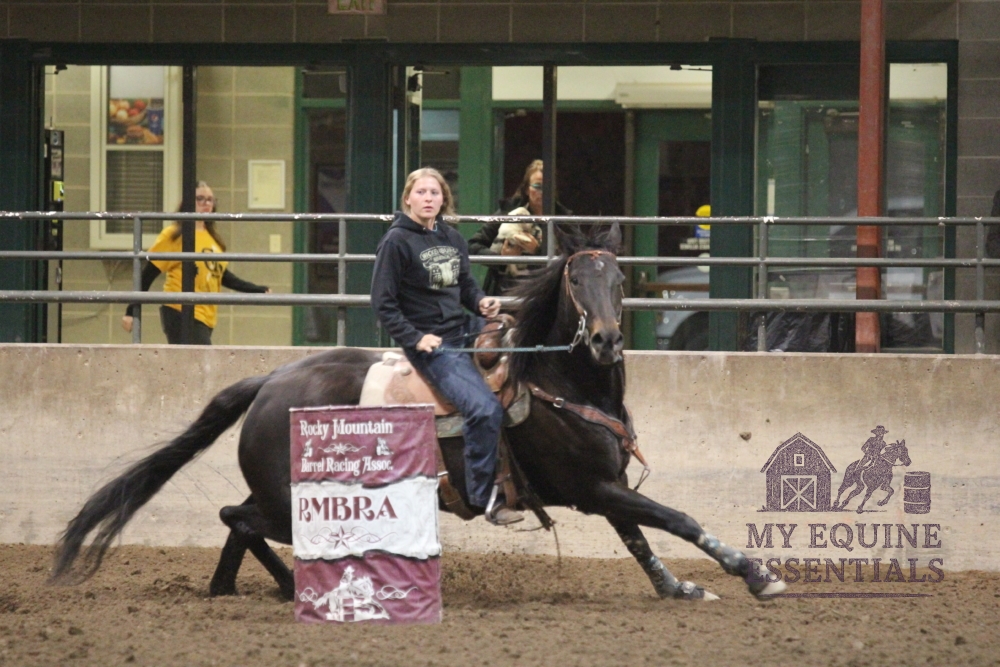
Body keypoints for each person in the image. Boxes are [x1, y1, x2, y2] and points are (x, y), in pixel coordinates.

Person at [370, 167, 523, 526]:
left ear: (443, 199)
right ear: (408, 198)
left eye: (434, 193)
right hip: (431, 343)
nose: (428, 198)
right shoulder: (395, 242)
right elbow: (383, 304)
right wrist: (415, 338)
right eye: (421, 192)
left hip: (464, 327)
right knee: (483, 409)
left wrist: (482, 302)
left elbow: (465, 285)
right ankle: (483, 496)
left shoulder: (451, 237)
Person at [122, 181, 270, 345]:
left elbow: (222, 275)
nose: (206, 204)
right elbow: (148, 274)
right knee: (202, 359)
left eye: (210, 200)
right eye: (200, 199)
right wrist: (131, 310)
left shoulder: (213, 238)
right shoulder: (175, 234)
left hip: (206, 315)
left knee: (192, 360)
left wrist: (256, 289)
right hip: (180, 310)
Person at [468, 159, 571, 295]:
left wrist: (538, 251)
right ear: (527, 189)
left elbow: (573, 257)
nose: (543, 192)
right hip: (506, 290)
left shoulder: (564, 219)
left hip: (545, 293)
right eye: (537, 186)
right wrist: (501, 259)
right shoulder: (508, 212)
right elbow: (472, 246)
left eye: (548, 187)